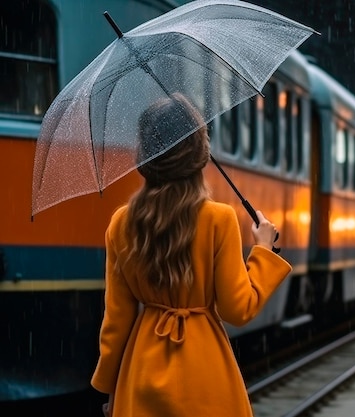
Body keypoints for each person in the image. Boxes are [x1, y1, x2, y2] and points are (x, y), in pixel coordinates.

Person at [90, 93, 292, 417]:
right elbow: (237, 309)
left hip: (141, 371)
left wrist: (110, 385)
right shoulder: (219, 219)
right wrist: (263, 251)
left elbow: (117, 321)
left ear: (145, 155)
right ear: (200, 155)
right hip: (206, 377)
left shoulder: (121, 224)